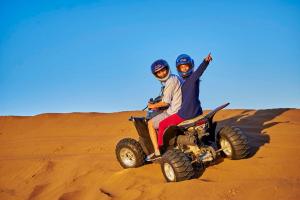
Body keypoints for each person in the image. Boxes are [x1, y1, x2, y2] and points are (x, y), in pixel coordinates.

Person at [157, 53, 213, 147]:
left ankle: (160, 148)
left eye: (186, 66)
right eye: (182, 67)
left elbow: (199, 71)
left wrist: (205, 62)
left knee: (162, 124)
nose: (185, 69)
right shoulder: (182, 82)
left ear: (191, 66)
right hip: (197, 111)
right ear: (179, 69)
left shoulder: (192, 78)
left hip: (185, 114)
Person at [146, 59, 182, 161]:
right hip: (180, 108)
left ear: (167, 69)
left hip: (173, 112)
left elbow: (165, 102)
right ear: (156, 74)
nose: (162, 73)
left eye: (163, 70)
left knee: (150, 124)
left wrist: (152, 106)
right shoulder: (175, 77)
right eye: (159, 72)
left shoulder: (170, 82)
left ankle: (157, 152)